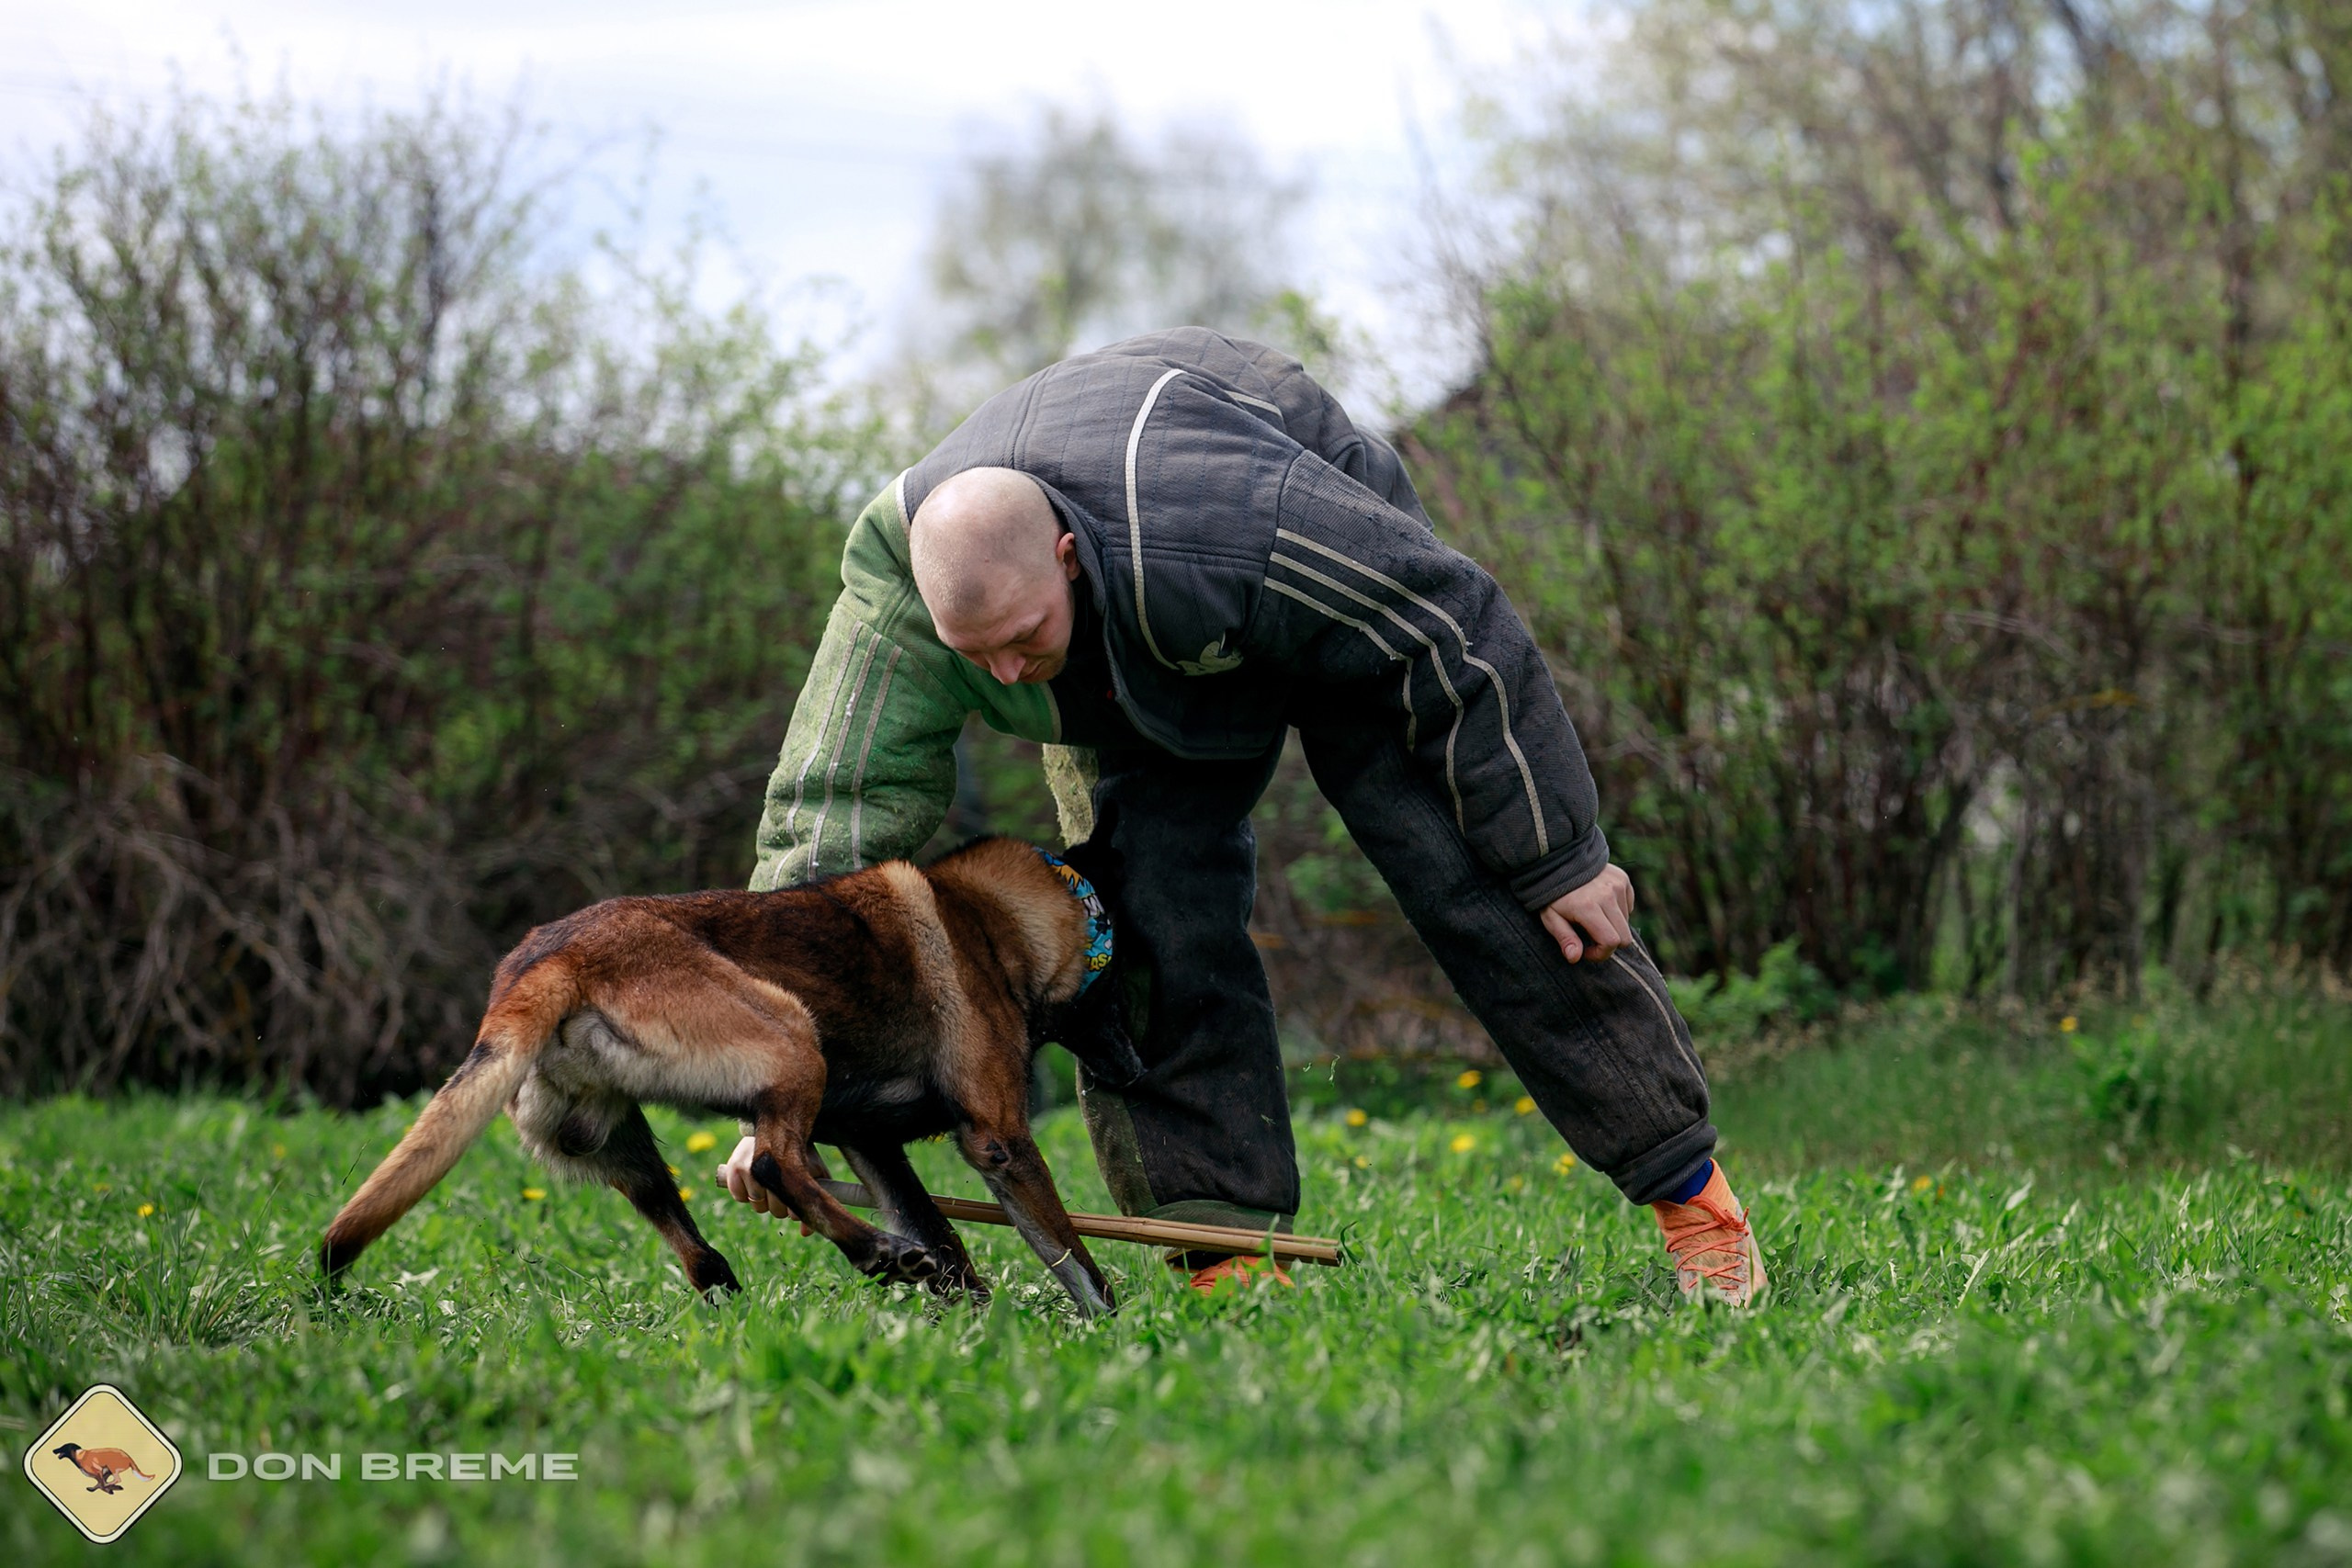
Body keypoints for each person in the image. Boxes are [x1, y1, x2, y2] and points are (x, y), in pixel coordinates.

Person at [715, 327, 1765, 1304]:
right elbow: (829, 827)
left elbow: (1450, 626)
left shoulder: (1234, 523)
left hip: (1315, 594)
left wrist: (1561, 852)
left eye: (1021, 635)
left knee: (1481, 870)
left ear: (1066, 558)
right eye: (971, 653)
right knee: (1134, 910)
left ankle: (1691, 1195)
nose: (996, 671)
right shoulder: (899, 592)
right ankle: (1222, 1250)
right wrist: (779, 1084)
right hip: (1125, 670)